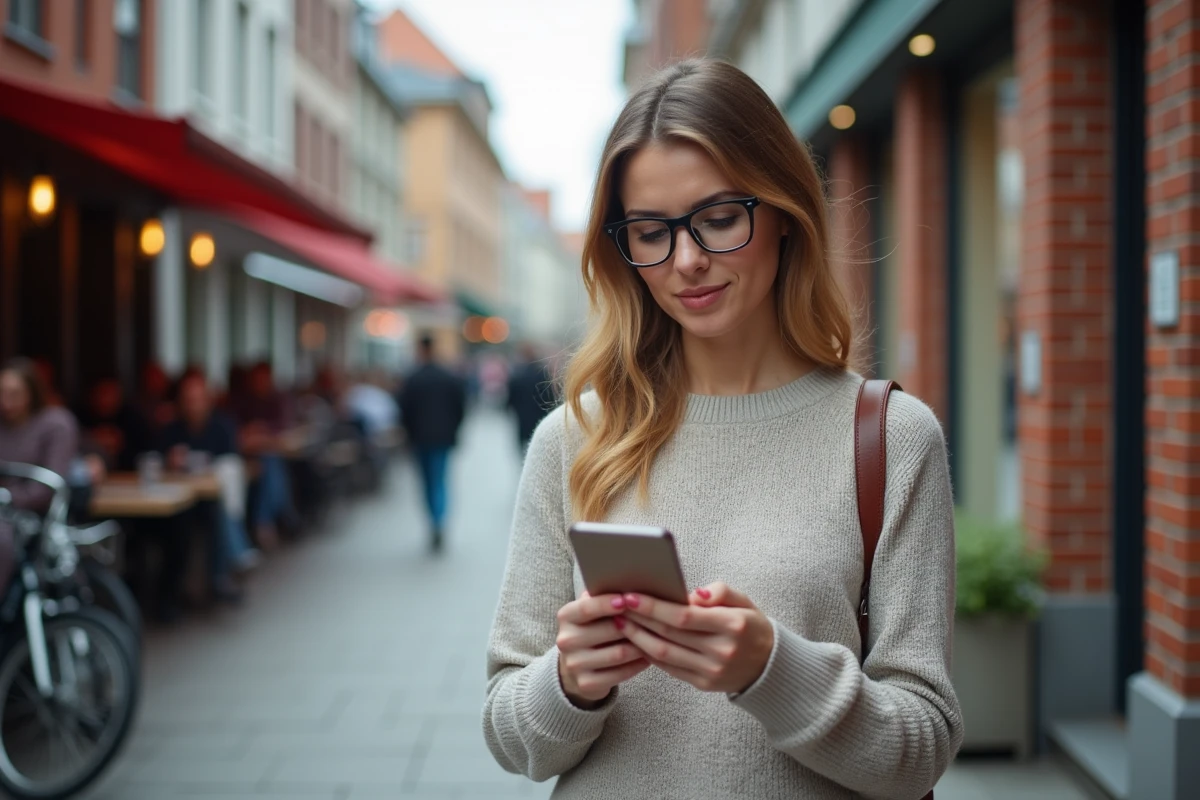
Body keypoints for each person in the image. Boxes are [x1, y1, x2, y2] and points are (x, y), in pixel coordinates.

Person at [482, 60, 962, 798]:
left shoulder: (892, 438)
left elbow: (920, 748)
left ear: (781, 212)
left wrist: (772, 670)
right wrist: (569, 682)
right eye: (650, 231)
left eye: (718, 218)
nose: (687, 261)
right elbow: (511, 737)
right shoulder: (575, 440)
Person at [156, 371, 258, 616]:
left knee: (215, 515)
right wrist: (169, 461)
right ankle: (224, 570)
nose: (194, 404)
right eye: (188, 399)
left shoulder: (222, 426)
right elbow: (155, 461)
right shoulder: (171, 429)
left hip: (208, 501)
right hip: (175, 502)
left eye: (198, 398)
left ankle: (213, 580)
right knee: (180, 529)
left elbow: (232, 463)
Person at [0, 358, 79, 586]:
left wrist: (9, 496)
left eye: (14, 394)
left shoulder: (55, 423)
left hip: (29, 517)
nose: (6, 402)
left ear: (32, 392)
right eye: (2, 393)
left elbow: (48, 484)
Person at [398, 334, 466, 552]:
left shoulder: (412, 378)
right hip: (442, 437)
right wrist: (454, 429)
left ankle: (433, 521)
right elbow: (460, 407)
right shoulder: (448, 377)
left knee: (427, 482)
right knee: (439, 480)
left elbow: (404, 411)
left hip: (420, 439)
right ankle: (439, 520)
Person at [506, 343, 556, 452]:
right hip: (540, 417)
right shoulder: (543, 374)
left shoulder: (518, 375)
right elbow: (550, 398)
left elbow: (511, 399)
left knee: (523, 450)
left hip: (522, 417)